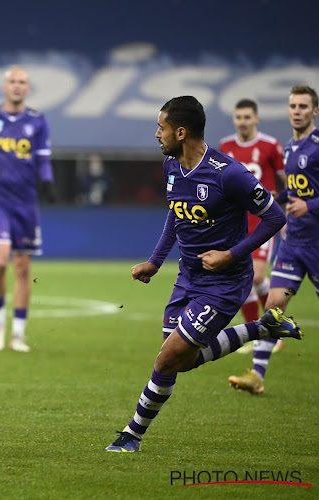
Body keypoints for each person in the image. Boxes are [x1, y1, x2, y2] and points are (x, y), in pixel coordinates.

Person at [106, 96, 301, 453]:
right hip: (188, 277)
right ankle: (261, 328)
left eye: (161, 127)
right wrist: (155, 261)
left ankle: (131, 436)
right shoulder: (171, 167)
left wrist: (232, 254)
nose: (156, 134)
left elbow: (276, 217)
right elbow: (175, 215)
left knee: (166, 359)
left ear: (181, 132)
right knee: (181, 360)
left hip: (225, 283)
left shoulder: (229, 173)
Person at [227, 85, 319, 395]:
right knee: (275, 309)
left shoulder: (317, 146)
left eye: (303, 107)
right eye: (293, 106)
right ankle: (257, 374)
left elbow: (308, 198)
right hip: (294, 243)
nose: (297, 111)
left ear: (314, 111)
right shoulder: (291, 149)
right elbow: (292, 192)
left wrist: (310, 205)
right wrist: (276, 201)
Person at [0, 65, 55, 353]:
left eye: (23, 82)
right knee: (1, 260)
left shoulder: (37, 122)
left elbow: (43, 158)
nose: (17, 86)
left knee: (22, 267)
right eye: (13, 81)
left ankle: (18, 334)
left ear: (28, 89)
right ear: (5, 87)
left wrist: (47, 182)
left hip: (26, 203)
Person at [219, 99, 286, 333]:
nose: (243, 122)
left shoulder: (270, 145)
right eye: (239, 117)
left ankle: (273, 326)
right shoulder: (225, 146)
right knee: (243, 282)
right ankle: (259, 333)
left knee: (257, 277)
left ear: (256, 118)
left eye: (247, 117)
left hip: (263, 221)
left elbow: (286, 181)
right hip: (236, 223)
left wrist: (285, 211)